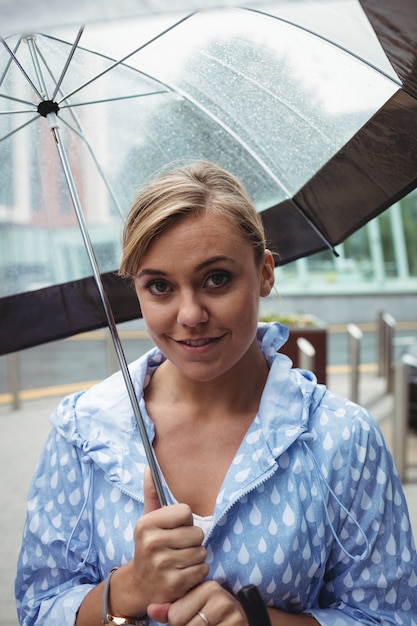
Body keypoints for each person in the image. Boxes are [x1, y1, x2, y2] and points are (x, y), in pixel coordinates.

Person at [16, 161, 417, 626]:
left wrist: (258, 622)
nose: (190, 314)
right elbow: (39, 607)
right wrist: (126, 591)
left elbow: (390, 616)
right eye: (160, 286)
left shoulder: (341, 439)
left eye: (217, 279)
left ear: (265, 273)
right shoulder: (82, 433)